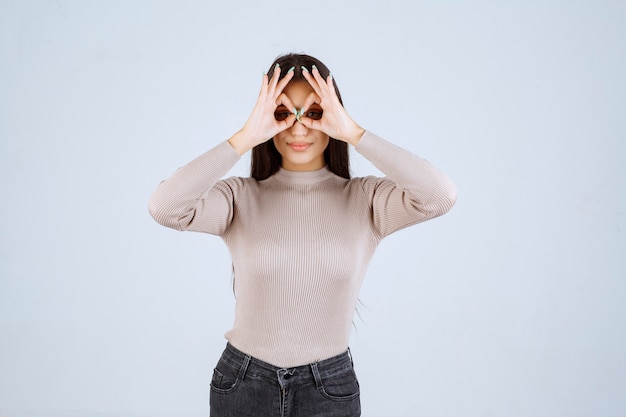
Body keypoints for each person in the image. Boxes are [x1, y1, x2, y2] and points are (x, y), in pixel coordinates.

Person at [149, 53, 457, 417]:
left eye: (314, 113)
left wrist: (354, 133)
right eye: (282, 115)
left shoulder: (366, 200)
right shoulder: (239, 197)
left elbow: (439, 196)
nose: (298, 129)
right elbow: (165, 207)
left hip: (328, 388)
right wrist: (245, 137)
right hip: (243, 384)